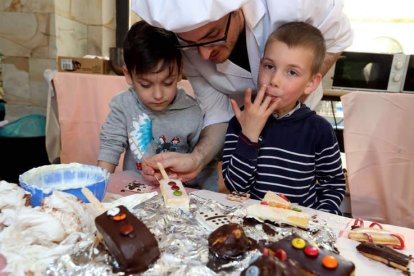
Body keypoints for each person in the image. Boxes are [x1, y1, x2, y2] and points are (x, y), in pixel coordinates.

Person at [132, 0, 353, 185]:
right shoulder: (188, 47)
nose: (205, 54)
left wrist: (285, 104)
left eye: (214, 34)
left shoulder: (294, 4)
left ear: (237, 9)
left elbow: (337, 39)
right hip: (247, 132)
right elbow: (218, 113)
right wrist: (196, 159)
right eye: (190, 42)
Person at [222, 22, 345, 214]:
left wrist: (321, 218)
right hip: (254, 221)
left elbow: (333, 184)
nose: (274, 80)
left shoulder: (319, 130)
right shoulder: (241, 120)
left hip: (300, 227)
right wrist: (249, 135)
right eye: (269, 66)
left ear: (311, 83)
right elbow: (235, 186)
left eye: (292, 72)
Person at [97, 21, 218, 191]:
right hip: (136, 193)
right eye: (146, 85)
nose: (158, 95)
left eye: (167, 83)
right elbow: (110, 145)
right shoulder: (124, 106)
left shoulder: (193, 111)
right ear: (128, 75)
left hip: (180, 195)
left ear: (179, 71)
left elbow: (206, 165)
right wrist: (98, 188)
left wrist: (207, 196)